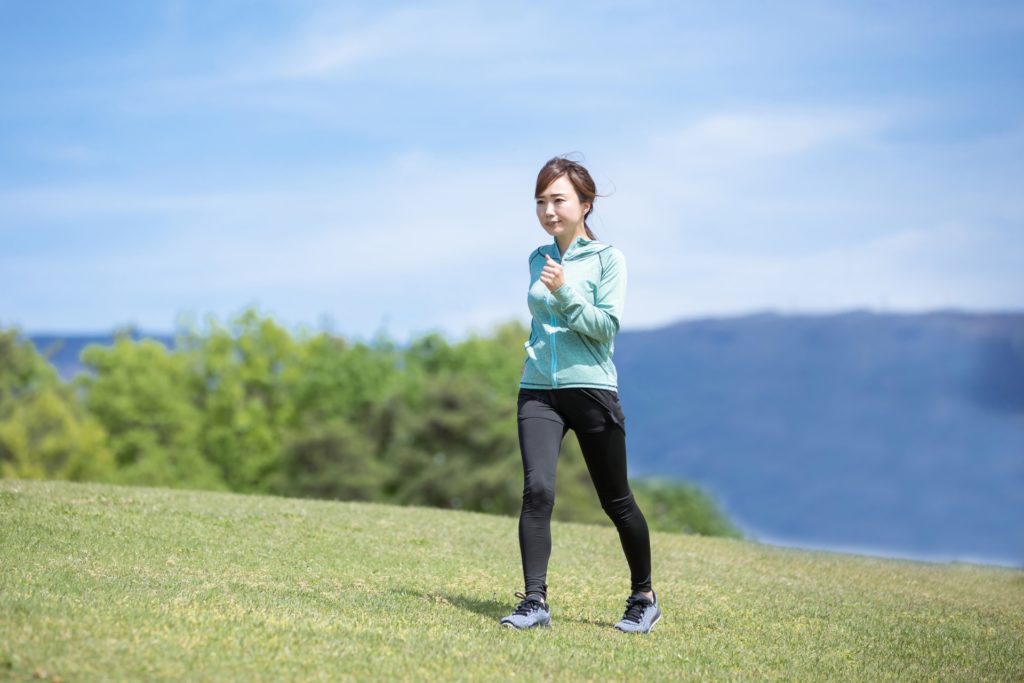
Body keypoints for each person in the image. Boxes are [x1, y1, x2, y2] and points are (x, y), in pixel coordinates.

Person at [499, 156, 661, 634]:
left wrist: (567, 291)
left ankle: (643, 596)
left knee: (616, 500)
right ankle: (534, 601)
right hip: (538, 391)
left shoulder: (609, 259)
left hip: (590, 389)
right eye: (541, 201)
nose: (548, 210)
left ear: (585, 204)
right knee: (538, 489)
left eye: (558, 200)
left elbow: (603, 328)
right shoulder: (536, 257)